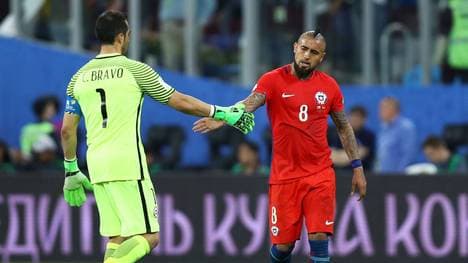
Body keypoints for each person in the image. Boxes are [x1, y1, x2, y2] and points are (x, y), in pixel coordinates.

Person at [60, 10, 254, 263]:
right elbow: (179, 101)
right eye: (128, 33)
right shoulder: (135, 70)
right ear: (121, 37)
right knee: (150, 236)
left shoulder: (78, 79)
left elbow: (66, 129)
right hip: (127, 163)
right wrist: (222, 112)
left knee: (117, 237)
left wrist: (71, 169)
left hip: (96, 164)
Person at [193, 30, 367, 263]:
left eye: (314, 52)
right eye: (304, 49)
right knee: (284, 247)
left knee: (319, 236)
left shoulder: (329, 87)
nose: (307, 55)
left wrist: (357, 167)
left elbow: (344, 127)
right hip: (285, 176)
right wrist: (223, 117)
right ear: (295, 47)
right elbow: (250, 103)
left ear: (321, 58)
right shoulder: (272, 80)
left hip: (319, 173)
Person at [328, 105, 376, 171]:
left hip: (362, 174)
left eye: (359, 117)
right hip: (337, 173)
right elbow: (330, 156)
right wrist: (355, 154)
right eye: (353, 116)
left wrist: (340, 155)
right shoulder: (335, 132)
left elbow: (365, 154)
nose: (355, 119)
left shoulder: (368, 136)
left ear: (364, 119)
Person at [376, 96, 416, 173]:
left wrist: (399, 175)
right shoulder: (383, 128)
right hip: (383, 175)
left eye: (383, 108)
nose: (379, 111)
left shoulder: (406, 127)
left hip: (397, 177)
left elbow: (408, 154)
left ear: (393, 109)